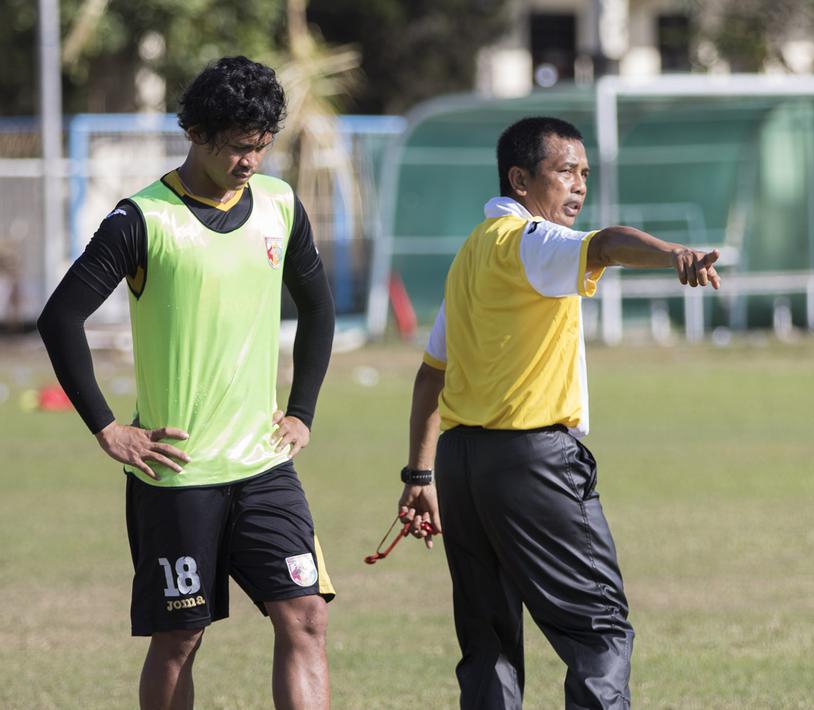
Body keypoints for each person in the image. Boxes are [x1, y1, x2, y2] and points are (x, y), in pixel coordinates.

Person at [38, 56, 335, 710]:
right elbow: (60, 317)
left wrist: (302, 409)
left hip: (264, 464)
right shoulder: (142, 218)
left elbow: (317, 307)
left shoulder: (281, 206)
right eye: (238, 147)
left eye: (261, 146)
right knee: (180, 635)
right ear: (196, 134)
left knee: (306, 615)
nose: (251, 160)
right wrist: (107, 426)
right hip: (177, 472)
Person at [395, 116, 720, 709]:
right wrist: (675, 252)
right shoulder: (531, 242)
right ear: (519, 179)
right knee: (599, 630)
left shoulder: (471, 254)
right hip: (530, 463)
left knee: (488, 643)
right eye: (565, 171)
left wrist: (420, 476)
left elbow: (430, 375)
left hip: (462, 466)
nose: (579, 187)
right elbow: (606, 244)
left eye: (585, 174)